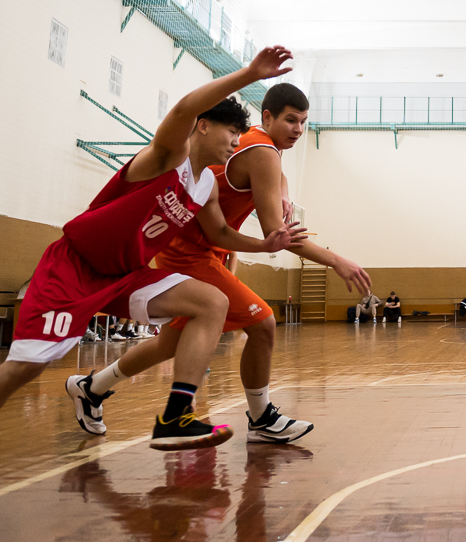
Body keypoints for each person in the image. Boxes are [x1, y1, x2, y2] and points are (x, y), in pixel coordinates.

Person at [0, 46, 305, 450]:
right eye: (229, 131)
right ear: (202, 127)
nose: (235, 141)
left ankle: (176, 418)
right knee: (25, 368)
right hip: (76, 268)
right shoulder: (166, 157)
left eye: (238, 133)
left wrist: (264, 244)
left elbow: (220, 235)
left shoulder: (204, 186)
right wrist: (249, 74)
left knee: (210, 303)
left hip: (127, 275)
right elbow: (183, 109)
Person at [66, 81, 371, 444]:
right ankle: (259, 416)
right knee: (263, 324)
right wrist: (337, 261)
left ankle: (92, 387)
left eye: (303, 122)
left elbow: (276, 176)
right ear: (268, 115)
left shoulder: (258, 142)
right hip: (194, 250)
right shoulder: (262, 152)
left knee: (171, 344)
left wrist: (284, 192)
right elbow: (278, 234)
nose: (298, 130)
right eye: (291, 121)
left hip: (203, 245)